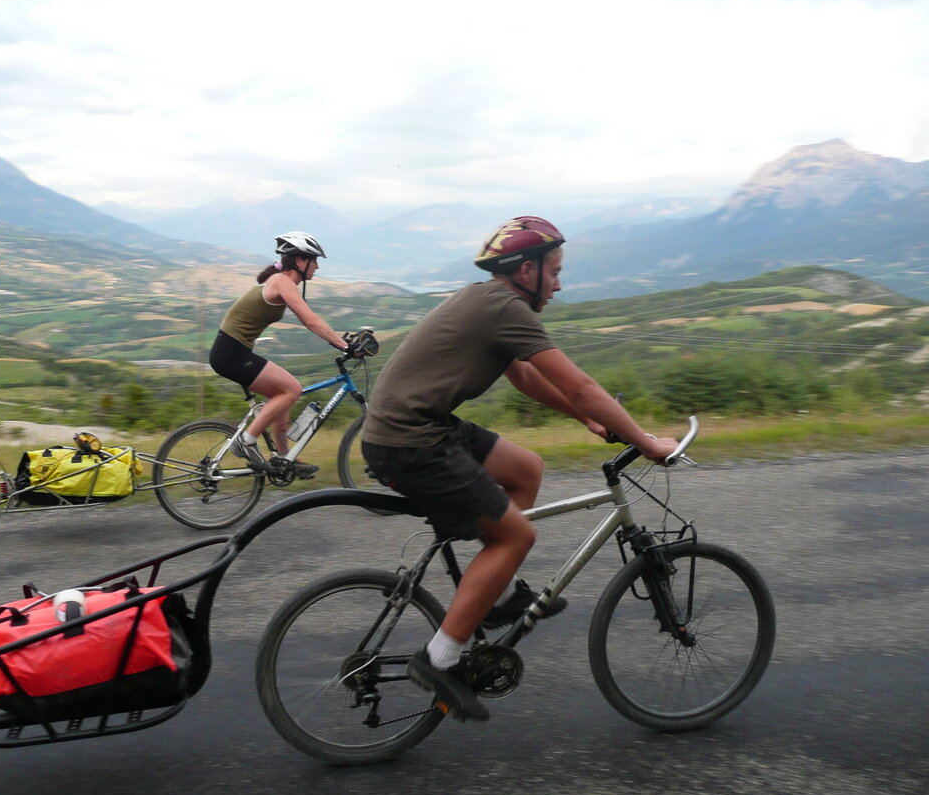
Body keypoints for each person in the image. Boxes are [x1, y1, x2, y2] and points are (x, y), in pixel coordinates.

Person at [360, 216, 679, 722]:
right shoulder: (504, 308)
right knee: (514, 539)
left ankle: (498, 594)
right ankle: (439, 659)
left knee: (526, 469)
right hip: (412, 442)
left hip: (422, 427)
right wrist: (646, 441)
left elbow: (527, 377)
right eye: (553, 271)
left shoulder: (490, 302)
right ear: (524, 270)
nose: (558, 283)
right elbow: (579, 383)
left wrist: (590, 419)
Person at [209, 231, 351, 478]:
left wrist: (340, 341)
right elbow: (310, 320)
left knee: (282, 394)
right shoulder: (282, 281)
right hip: (230, 353)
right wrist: (344, 346)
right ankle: (246, 440)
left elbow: (311, 319)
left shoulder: (279, 280)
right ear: (299, 261)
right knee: (292, 389)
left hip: (231, 351)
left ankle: (284, 459)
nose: (317, 266)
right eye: (314, 260)